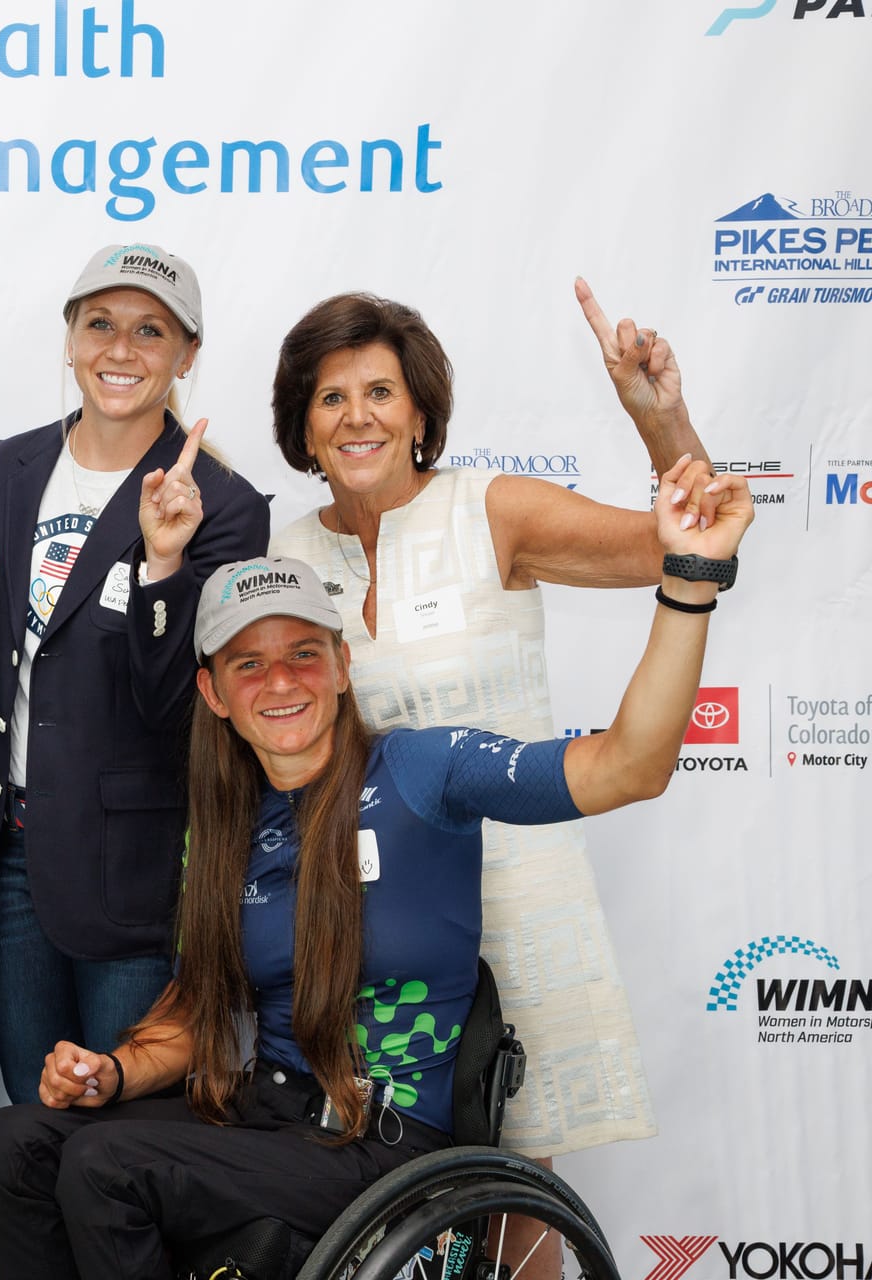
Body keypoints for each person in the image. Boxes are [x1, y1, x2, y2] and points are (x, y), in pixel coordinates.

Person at [0, 456, 751, 1275]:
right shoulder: (223, 823)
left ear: (343, 668)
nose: (281, 682)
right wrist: (112, 1072)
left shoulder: (425, 770)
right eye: (248, 664)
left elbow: (629, 766)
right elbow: (196, 1013)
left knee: (107, 1169)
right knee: (10, 1145)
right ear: (213, 694)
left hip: (384, 1143)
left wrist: (690, 581)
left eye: (304, 654)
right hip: (265, 1120)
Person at [266, 282, 712, 1157]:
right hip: (373, 914)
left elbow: (687, 539)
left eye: (381, 392)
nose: (359, 417)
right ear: (305, 429)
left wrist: (661, 421)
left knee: (513, 1179)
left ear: (422, 412)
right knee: (375, 1184)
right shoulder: (285, 554)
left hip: (519, 895)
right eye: (332, 397)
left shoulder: (492, 511)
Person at [0, 243, 268, 1105]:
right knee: (35, 1127)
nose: (121, 350)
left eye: (152, 331)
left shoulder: (223, 503)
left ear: (187, 355)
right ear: (69, 340)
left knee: (121, 1145)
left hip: (133, 872)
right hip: (7, 856)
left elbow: (179, 706)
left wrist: (165, 565)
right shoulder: (7, 467)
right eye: (99, 324)